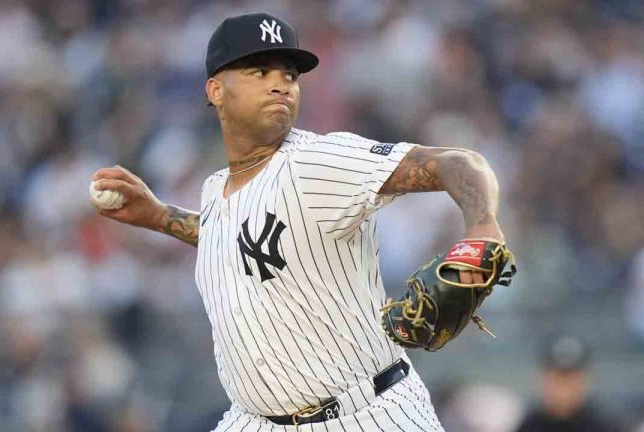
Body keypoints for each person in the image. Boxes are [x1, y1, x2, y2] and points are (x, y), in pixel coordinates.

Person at [92, 12, 506, 431]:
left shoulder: (317, 162)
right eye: (259, 71)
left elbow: (459, 163)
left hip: (365, 414)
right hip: (255, 421)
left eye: (289, 75)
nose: (280, 84)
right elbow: (248, 244)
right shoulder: (216, 190)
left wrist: (483, 229)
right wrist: (161, 217)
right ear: (215, 89)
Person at [514, 335, 619, 432]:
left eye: (570, 377)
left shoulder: (605, 426)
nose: (564, 388)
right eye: (558, 377)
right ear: (543, 378)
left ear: (585, 379)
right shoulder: (527, 427)